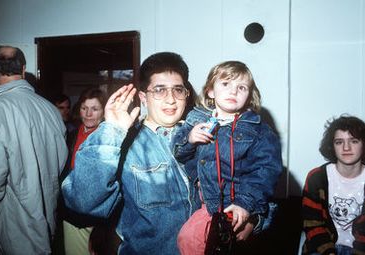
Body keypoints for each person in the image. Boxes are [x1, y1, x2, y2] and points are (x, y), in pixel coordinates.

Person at [62, 52, 202, 254]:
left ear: (186, 95)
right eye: (160, 90)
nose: (171, 99)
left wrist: (254, 219)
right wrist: (112, 131)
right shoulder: (127, 144)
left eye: (177, 90)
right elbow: (82, 202)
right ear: (143, 97)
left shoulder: (203, 136)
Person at [172, 60, 283, 254]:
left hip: (239, 204)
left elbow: (265, 172)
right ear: (210, 91)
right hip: (206, 204)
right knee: (188, 239)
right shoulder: (195, 119)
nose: (233, 91)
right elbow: (178, 153)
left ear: (249, 96)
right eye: (225, 84)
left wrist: (245, 204)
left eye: (241, 87)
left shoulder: (259, 130)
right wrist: (189, 140)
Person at [0, 45, 68, 254]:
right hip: (46, 225)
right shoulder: (50, 110)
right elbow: (59, 166)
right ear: (23, 69)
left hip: (6, 233)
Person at [301, 115, 365, 255]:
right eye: (339, 142)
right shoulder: (317, 178)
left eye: (354, 141)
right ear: (332, 146)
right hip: (322, 248)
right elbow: (312, 224)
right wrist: (329, 252)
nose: (346, 147)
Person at [59, 88, 110, 255]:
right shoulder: (71, 134)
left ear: (104, 112)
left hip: (97, 216)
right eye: (84, 108)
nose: (88, 114)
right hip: (72, 213)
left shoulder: (109, 139)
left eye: (94, 109)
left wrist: (102, 226)